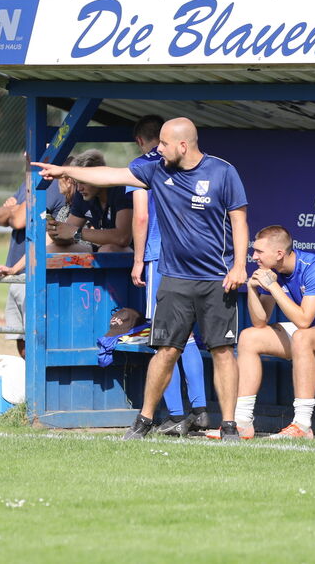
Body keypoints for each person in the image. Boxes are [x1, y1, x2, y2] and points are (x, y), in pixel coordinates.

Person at [33, 117, 248, 441]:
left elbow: (240, 221)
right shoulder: (156, 169)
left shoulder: (223, 172)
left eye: (163, 144)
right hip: (174, 278)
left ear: (183, 145)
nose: (158, 149)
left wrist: (240, 266)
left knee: (222, 351)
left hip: (218, 278)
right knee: (165, 350)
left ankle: (229, 425)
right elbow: (112, 174)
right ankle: (144, 420)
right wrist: (67, 171)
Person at [229, 225, 315, 439]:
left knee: (302, 336)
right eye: (254, 251)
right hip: (311, 333)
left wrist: (273, 288)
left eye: (259, 252)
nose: (253, 256)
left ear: (279, 254)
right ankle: (242, 422)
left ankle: (302, 426)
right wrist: (252, 289)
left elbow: (304, 320)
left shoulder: (314, 266)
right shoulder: (271, 272)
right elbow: (259, 321)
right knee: (249, 337)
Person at [127, 115, 208, 436]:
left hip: (160, 256)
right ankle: (200, 409)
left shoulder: (143, 166)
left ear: (139, 141)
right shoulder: (190, 163)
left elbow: (142, 215)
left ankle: (175, 414)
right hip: (192, 257)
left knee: (164, 338)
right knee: (188, 336)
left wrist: (137, 259)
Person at [0, 162, 73, 358]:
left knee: (35, 341)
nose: (25, 154)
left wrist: (13, 209)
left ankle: (37, 387)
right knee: (21, 342)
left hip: (36, 274)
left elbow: (19, 220)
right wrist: (14, 211)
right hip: (19, 270)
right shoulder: (28, 182)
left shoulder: (50, 184)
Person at [47, 150, 133, 253]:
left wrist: (75, 232)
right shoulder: (82, 196)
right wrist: (56, 233)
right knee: (51, 250)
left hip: (134, 252)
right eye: (76, 183)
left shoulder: (121, 190)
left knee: (108, 250)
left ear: (98, 177)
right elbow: (68, 236)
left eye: (83, 182)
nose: (79, 189)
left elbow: (123, 238)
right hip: (101, 248)